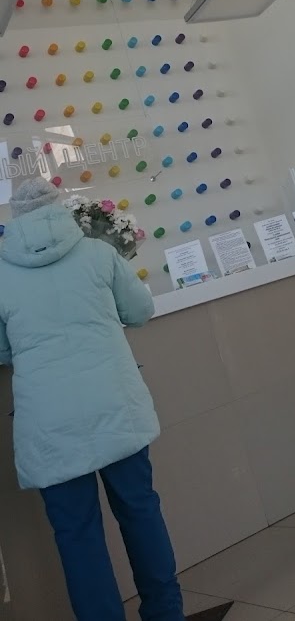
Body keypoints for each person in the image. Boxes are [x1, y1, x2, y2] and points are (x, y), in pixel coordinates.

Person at [0, 177, 186, 621]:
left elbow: (2, 351)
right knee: (140, 511)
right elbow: (140, 311)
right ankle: (165, 614)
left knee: (76, 536)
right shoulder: (99, 253)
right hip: (114, 404)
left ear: (15, 218)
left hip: (49, 423)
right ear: (59, 207)